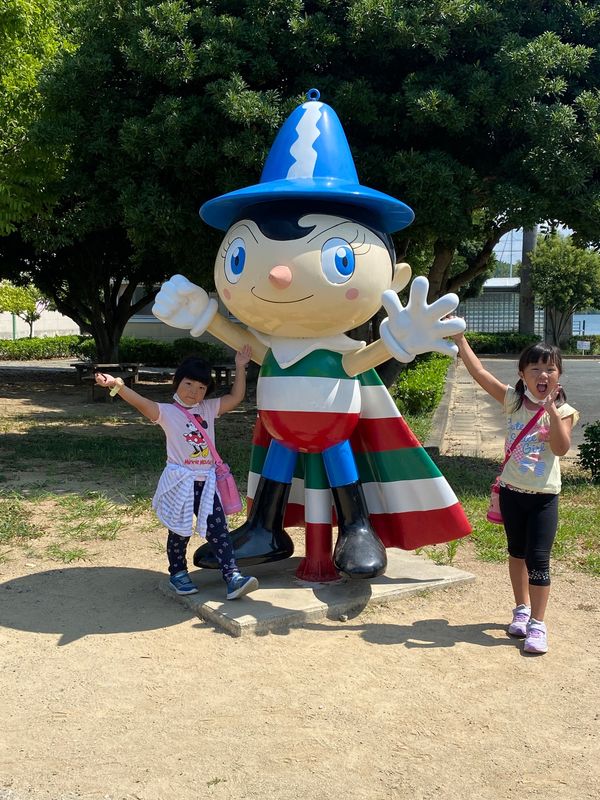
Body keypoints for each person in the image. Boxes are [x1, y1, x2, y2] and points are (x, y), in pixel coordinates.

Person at [94, 345, 259, 601]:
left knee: (219, 530)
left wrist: (240, 366)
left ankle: (232, 576)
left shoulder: (208, 408)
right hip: (181, 481)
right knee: (179, 530)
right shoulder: (166, 412)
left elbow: (236, 397)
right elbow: (140, 401)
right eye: (189, 384)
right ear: (178, 381)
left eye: (201, 388)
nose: (194, 392)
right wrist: (116, 385)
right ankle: (178, 573)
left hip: (207, 481)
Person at [451, 331, 579, 654]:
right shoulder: (512, 401)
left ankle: (538, 624)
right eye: (534, 369)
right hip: (512, 493)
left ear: (558, 377)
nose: (542, 375)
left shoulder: (565, 413)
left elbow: (561, 448)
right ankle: (521, 610)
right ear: (522, 375)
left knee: (539, 558)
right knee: (516, 553)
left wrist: (550, 410)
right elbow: (480, 373)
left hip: (544, 499)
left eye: (549, 369)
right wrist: (459, 339)